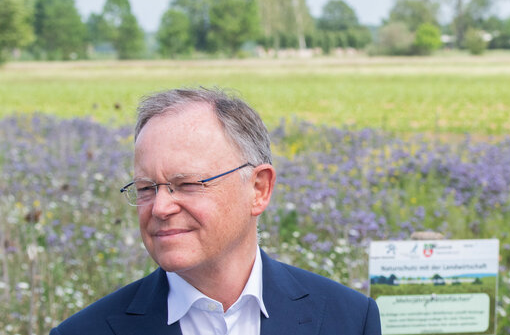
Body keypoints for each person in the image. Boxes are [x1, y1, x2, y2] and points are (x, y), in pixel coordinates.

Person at [51, 88, 381, 335]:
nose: (161, 207)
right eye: (145, 188)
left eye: (188, 184)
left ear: (258, 189)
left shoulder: (349, 319)